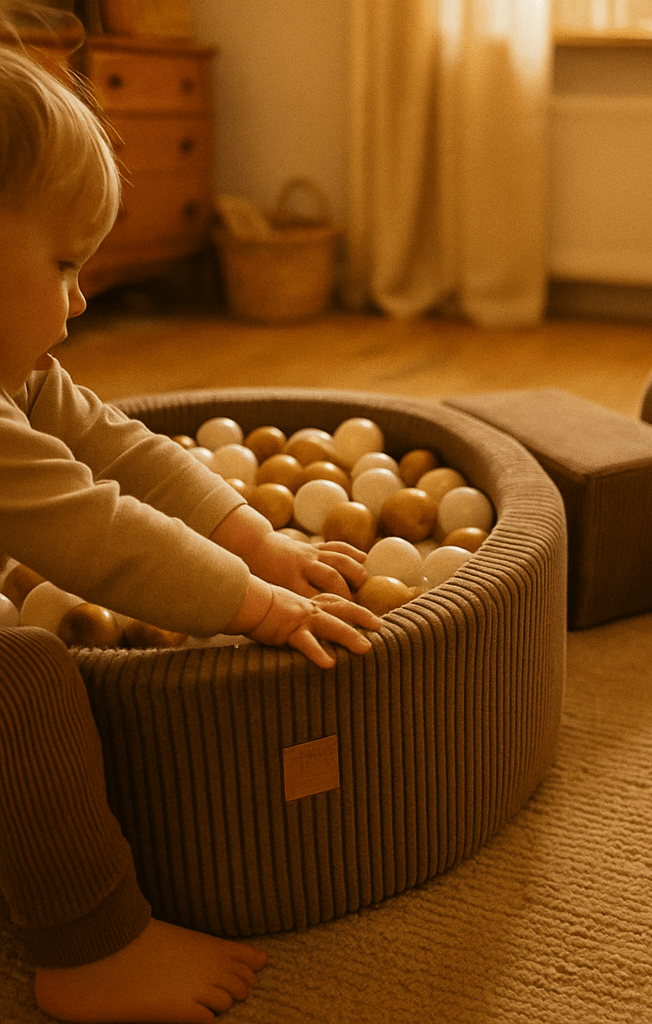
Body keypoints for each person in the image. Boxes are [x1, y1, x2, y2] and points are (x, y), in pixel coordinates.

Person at [0, 12, 383, 1022]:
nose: (79, 303)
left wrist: (258, 540)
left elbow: (123, 454)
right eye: (64, 267)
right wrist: (253, 607)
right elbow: (95, 533)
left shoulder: (22, 376)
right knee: (18, 676)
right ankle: (89, 945)